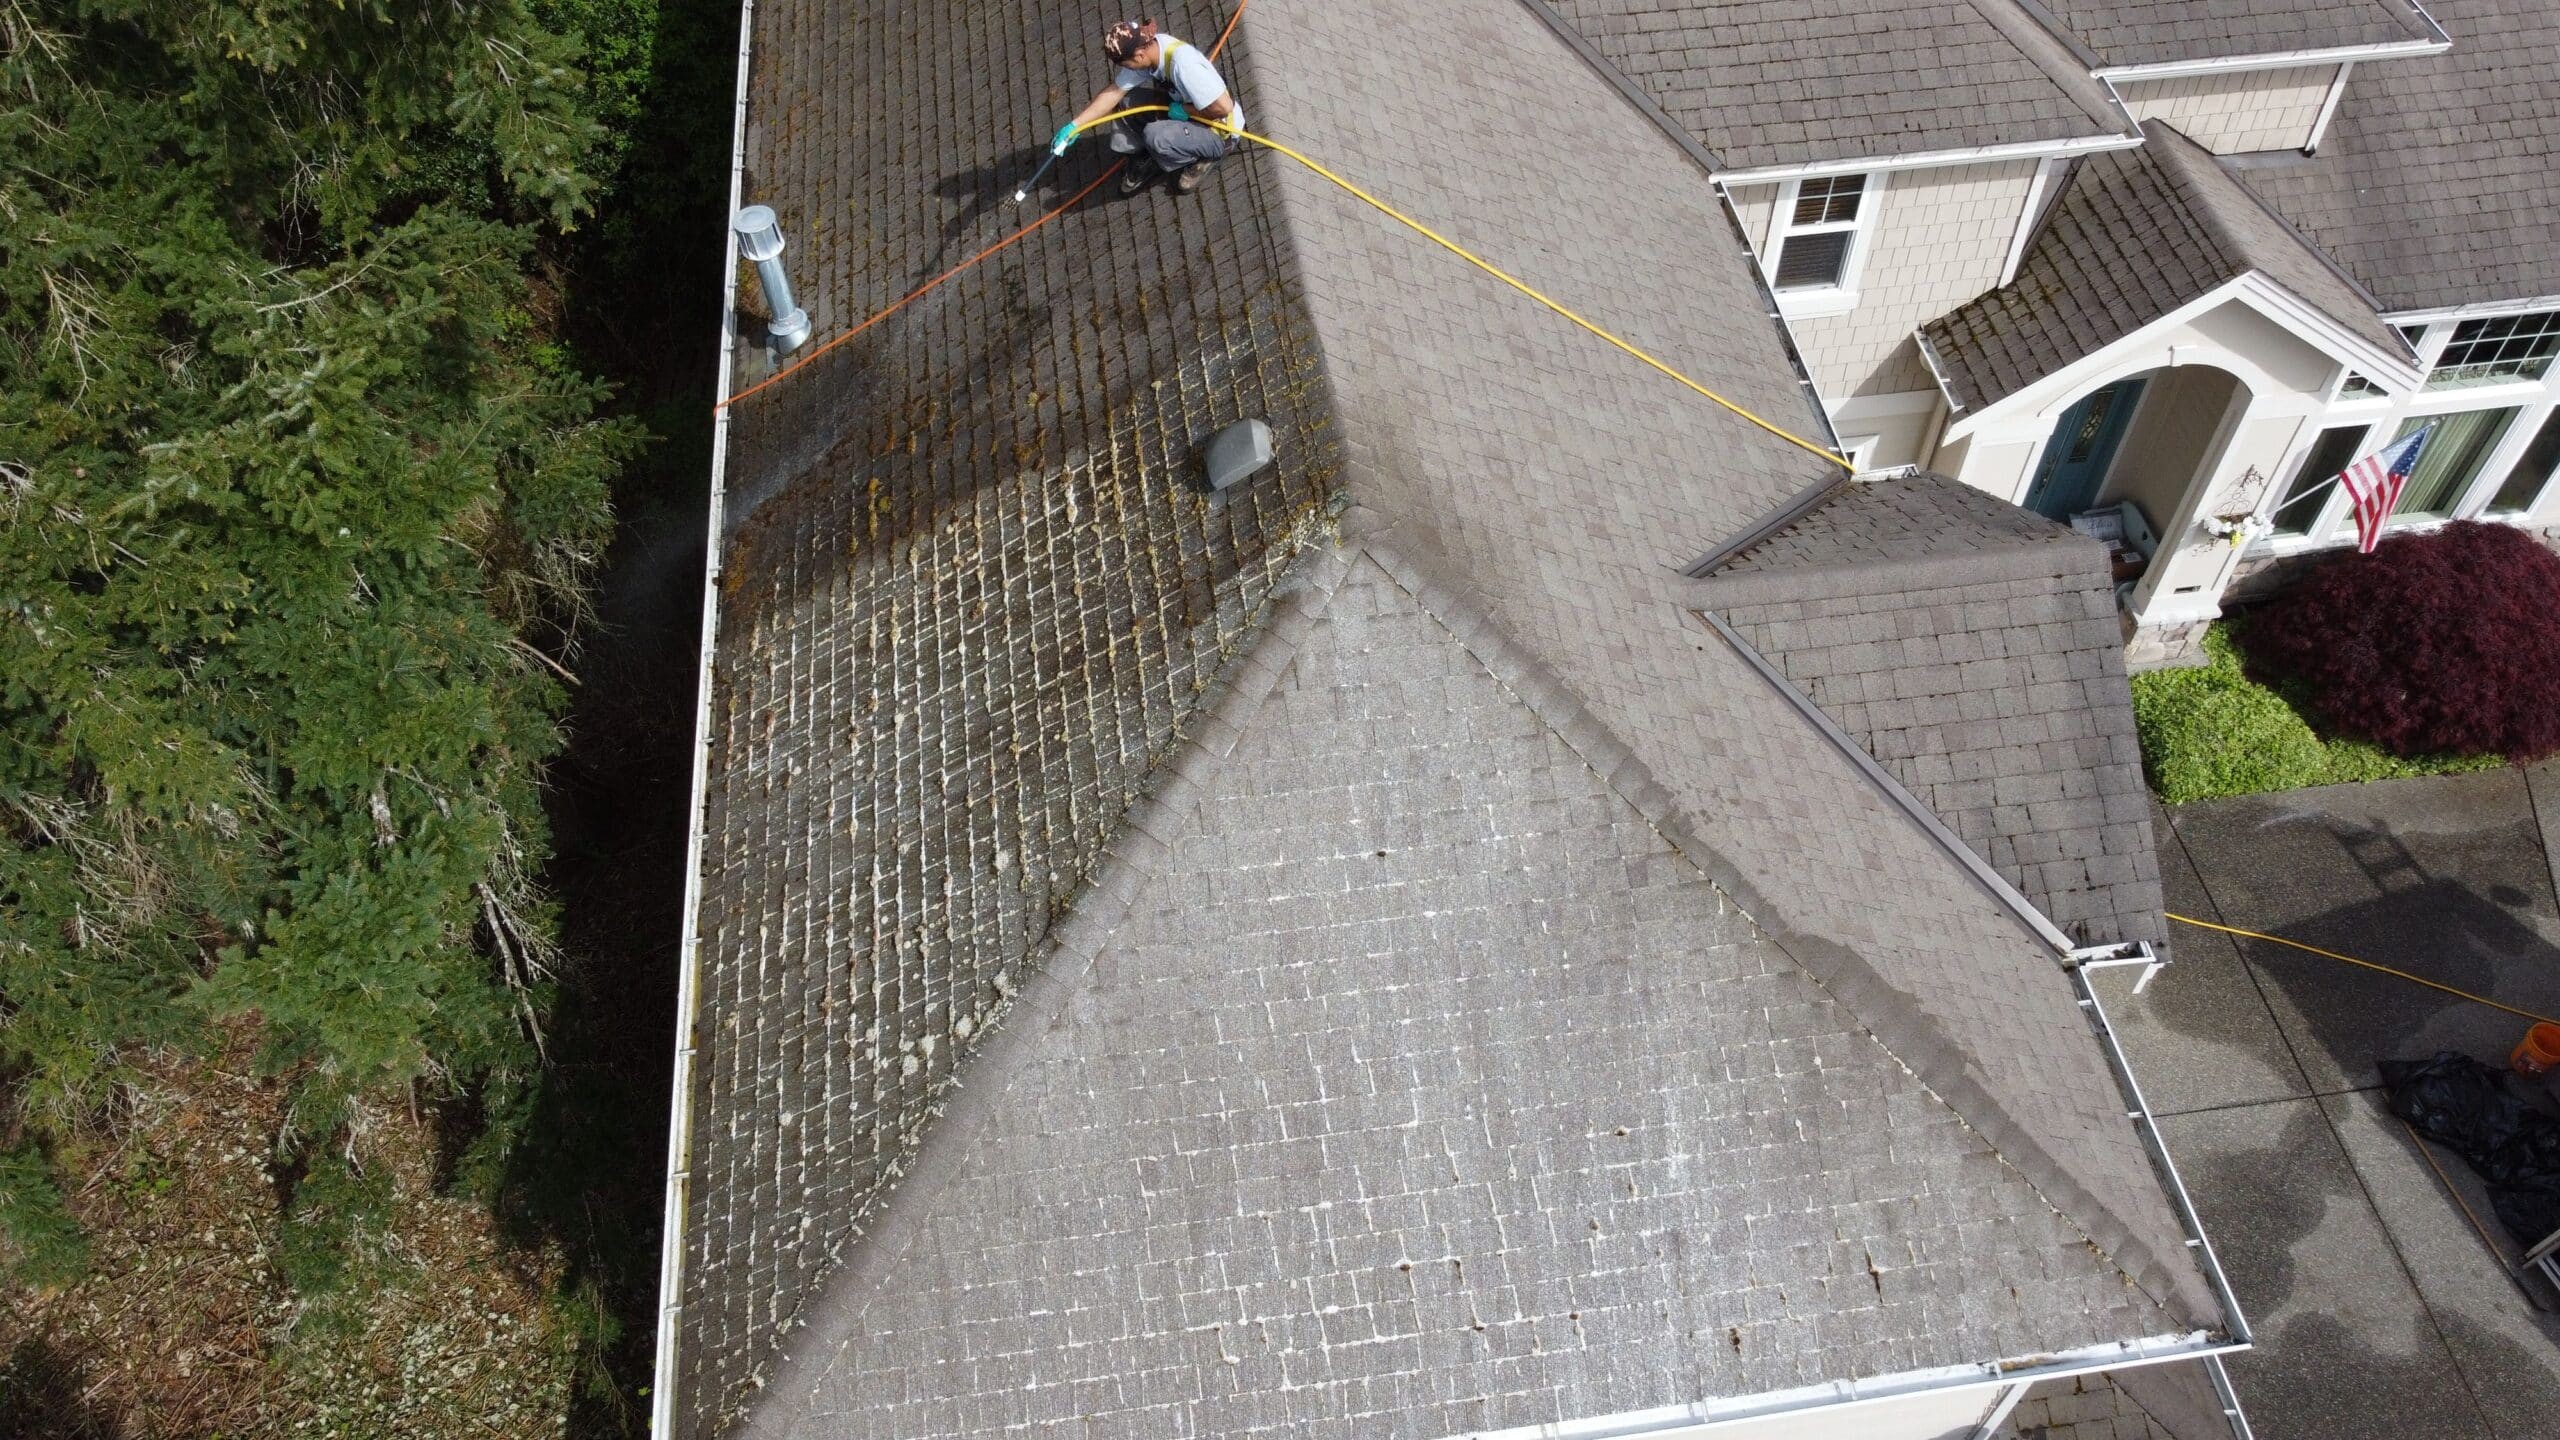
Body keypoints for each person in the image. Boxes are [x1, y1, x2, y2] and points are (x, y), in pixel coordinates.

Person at [1055, 20, 1242, 195]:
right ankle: (1144, 157)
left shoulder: (1183, 65)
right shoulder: (1148, 49)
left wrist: (1184, 111)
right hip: (1188, 112)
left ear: (1139, 55)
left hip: (1219, 130)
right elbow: (1114, 92)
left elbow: (1223, 108)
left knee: (1156, 136)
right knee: (1124, 103)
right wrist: (1076, 125)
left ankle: (1199, 156)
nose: (1130, 70)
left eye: (1128, 65)